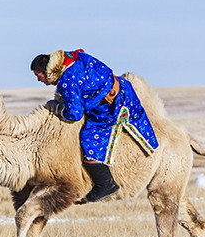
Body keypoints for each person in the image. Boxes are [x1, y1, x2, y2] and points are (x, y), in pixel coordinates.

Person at [31, 49, 157, 202]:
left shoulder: (67, 80)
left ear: (46, 71)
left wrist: (57, 109)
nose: (39, 80)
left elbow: (75, 114)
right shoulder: (70, 58)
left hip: (111, 107)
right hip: (125, 89)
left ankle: (106, 184)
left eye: (38, 75)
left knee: (88, 138)